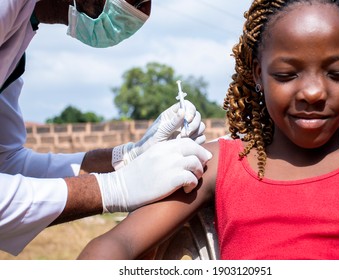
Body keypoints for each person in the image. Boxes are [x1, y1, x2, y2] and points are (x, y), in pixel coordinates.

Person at [77, 0, 339, 260]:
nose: (313, 92)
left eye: (337, 73)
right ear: (257, 74)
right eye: (286, 74)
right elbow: (116, 245)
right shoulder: (218, 164)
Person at [0, 0, 211, 256]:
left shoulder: (15, 40)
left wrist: (126, 158)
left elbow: (8, 163)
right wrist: (113, 188)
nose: (144, 12)